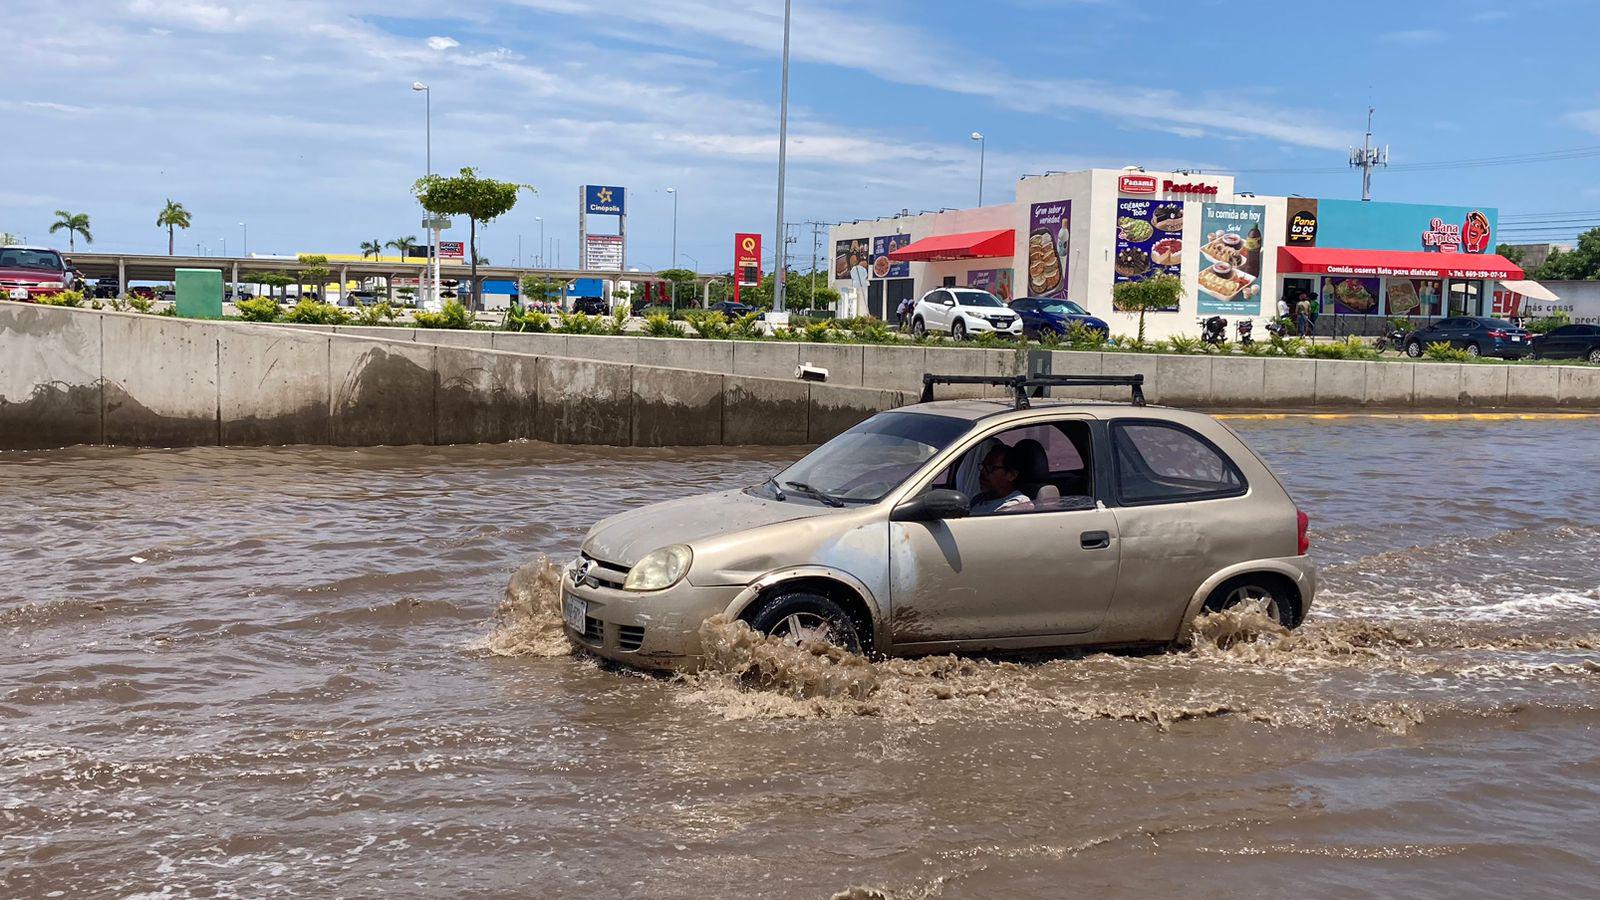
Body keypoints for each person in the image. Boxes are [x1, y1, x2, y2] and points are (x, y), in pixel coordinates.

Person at [969, 445, 1029, 516]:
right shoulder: (978, 499)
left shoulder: (1016, 506)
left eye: (990, 467)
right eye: (983, 466)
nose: (983, 471)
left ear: (1011, 475)